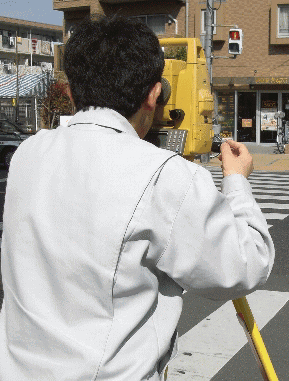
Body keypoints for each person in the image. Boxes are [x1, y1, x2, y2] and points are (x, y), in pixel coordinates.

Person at [0, 16, 274, 381]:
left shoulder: (27, 155)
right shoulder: (164, 176)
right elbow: (244, 266)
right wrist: (237, 183)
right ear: (154, 94)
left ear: (69, 93)